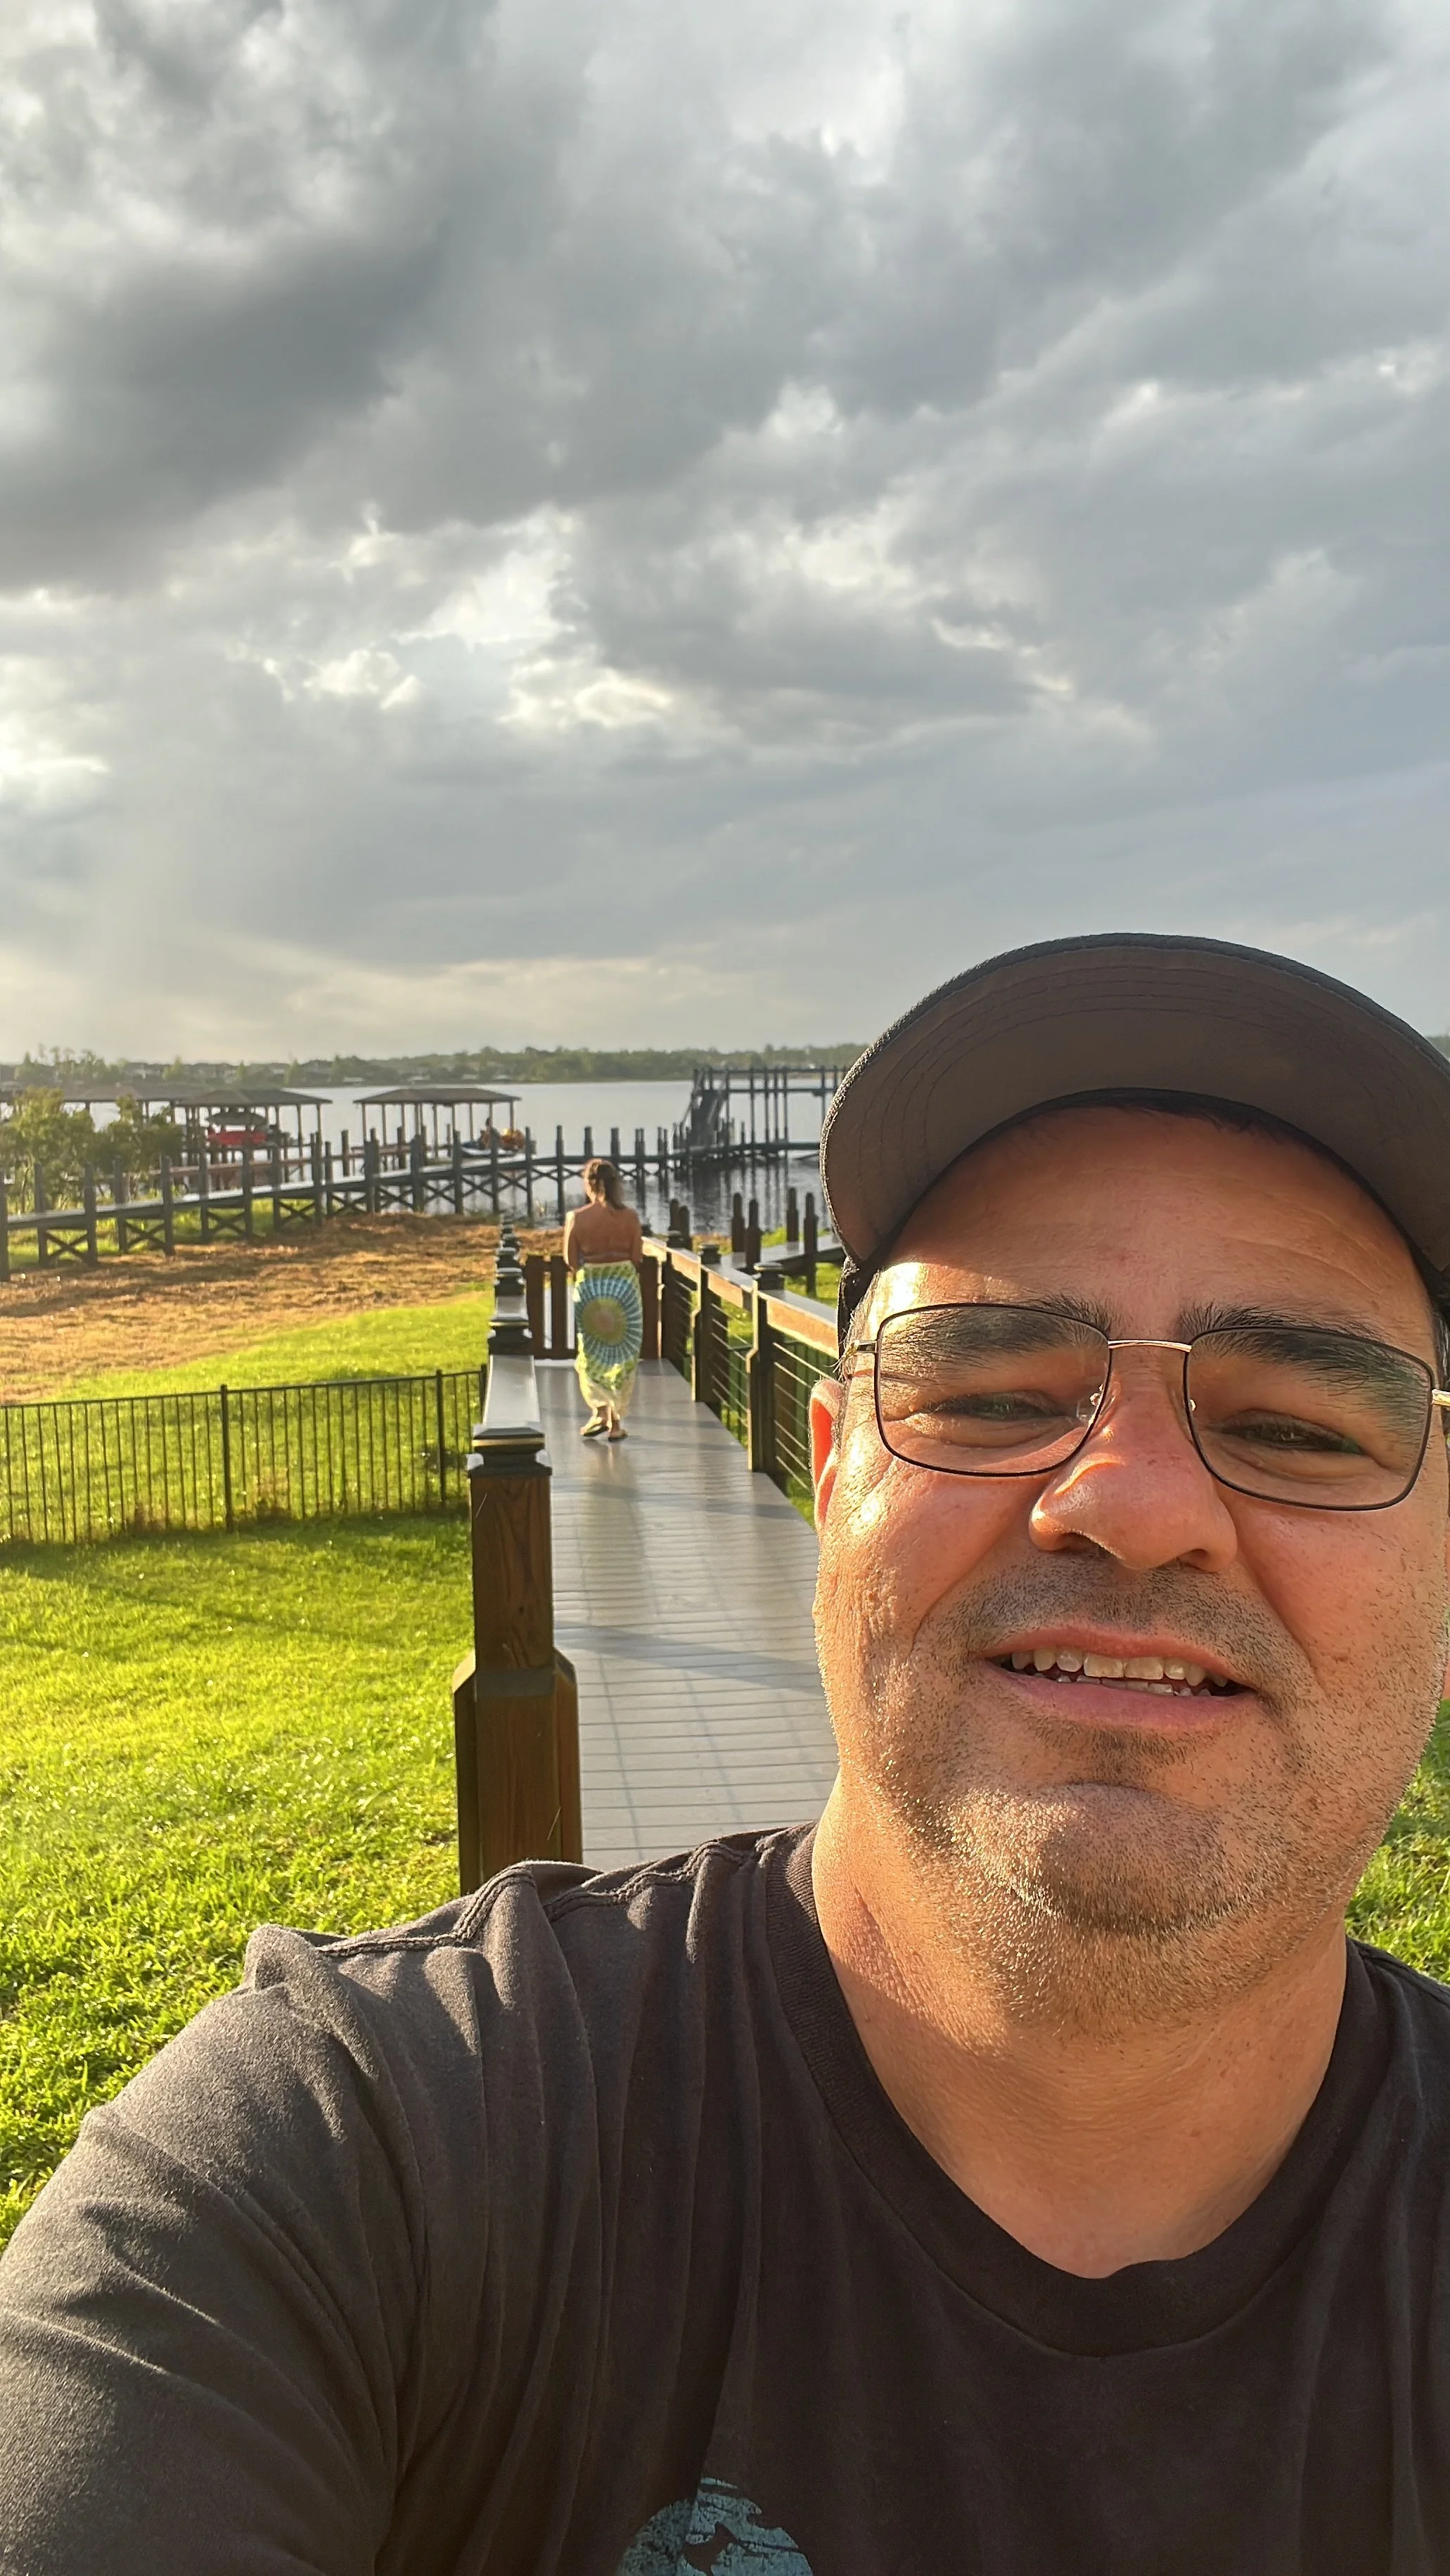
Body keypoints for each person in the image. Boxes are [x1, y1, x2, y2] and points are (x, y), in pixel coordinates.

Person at [6, 931, 1450, 2574]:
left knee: (610, 1372)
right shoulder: (360, 2157)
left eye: (1297, 1425)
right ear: (831, 1471)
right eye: (984, 1392)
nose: (1126, 1497)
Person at [563, 1155, 644, 1440]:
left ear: (589, 1183)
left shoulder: (577, 1218)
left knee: (592, 1352)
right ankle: (615, 1423)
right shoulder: (631, 1218)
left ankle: (599, 1412)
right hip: (624, 1289)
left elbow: (571, 1260)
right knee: (623, 1354)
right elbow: (636, 1258)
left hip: (592, 1289)